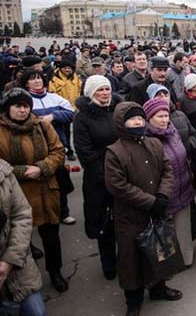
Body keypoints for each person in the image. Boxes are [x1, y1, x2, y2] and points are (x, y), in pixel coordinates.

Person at [104, 101, 181, 316]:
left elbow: (167, 170)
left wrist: (163, 195)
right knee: (132, 261)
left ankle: (158, 288)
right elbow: (118, 186)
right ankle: (133, 302)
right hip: (130, 216)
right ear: (122, 123)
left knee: (158, 251)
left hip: (157, 209)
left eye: (140, 118)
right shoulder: (114, 152)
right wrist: (150, 202)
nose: (137, 122)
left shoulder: (154, 143)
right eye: (132, 119)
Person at [0, 88, 68, 293]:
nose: (23, 110)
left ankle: (55, 271)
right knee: (20, 236)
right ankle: (25, 278)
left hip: (45, 188)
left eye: (26, 106)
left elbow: (58, 151)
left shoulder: (42, 125)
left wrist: (42, 168)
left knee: (51, 235)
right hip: (15, 191)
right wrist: (21, 171)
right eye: (17, 106)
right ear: (7, 108)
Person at [73, 75, 121, 280]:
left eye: (107, 89)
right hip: (99, 179)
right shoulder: (82, 117)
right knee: (105, 224)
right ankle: (108, 262)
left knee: (125, 220)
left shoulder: (117, 109)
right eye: (99, 90)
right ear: (91, 93)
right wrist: (109, 175)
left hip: (123, 173)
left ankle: (128, 259)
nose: (104, 93)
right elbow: (85, 153)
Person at [21, 68, 76, 225]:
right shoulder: (24, 100)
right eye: (32, 79)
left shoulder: (55, 98)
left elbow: (70, 113)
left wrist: (53, 116)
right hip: (32, 149)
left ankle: (63, 213)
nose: (37, 81)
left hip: (56, 148)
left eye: (39, 78)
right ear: (26, 82)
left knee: (59, 182)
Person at [143, 98, 195, 268]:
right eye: (160, 116)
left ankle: (186, 259)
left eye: (166, 115)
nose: (165, 120)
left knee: (183, 229)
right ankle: (168, 265)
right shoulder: (146, 139)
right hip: (164, 193)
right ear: (149, 118)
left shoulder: (172, 132)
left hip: (183, 187)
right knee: (165, 231)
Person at [0, 158, 46, 316]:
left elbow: (22, 214)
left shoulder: (3, 171)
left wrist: (9, 261)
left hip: (17, 270)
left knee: (36, 312)